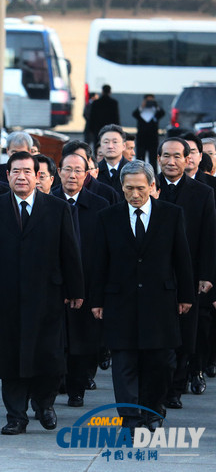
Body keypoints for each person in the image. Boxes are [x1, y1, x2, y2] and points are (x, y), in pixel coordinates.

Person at [0, 152, 84, 435]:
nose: (21, 177)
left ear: (37, 176)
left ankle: (44, 405)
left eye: (27, 172)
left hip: (47, 295)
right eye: (15, 171)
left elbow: (69, 252)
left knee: (48, 356)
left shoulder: (57, 208)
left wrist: (76, 289)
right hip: (6, 296)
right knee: (10, 357)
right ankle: (15, 416)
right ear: (7, 175)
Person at [91, 160, 194, 433]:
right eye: (128, 189)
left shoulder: (171, 215)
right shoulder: (108, 216)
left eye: (140, 188)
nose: (134, 194)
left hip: (160, 301)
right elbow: (99, 261)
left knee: (160, 362)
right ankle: (130, 417)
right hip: (120, 301)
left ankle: (152, 409)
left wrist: (186, 295)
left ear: (152, 186)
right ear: (121, 187)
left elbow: (182, 259)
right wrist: (96, 300)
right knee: (124, 362)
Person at [155, 137, 216, 408]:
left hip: (188, 275)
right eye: (166, 156)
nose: (171, 161)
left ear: (188, 159)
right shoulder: (147, 186)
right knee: (156, 337)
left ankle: (175, 389)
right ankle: (157, 389)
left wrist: (207, 275)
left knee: (185, 336)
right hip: (153, 277)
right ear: (158, 158)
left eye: (177, 156)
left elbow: (209, 237)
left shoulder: (202, 193)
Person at [52, 152, 110, 407]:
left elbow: (105, 250)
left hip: (88, 283)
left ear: (86, 175)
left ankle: (77, 388)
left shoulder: (99, 205)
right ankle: (54, 385)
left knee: (83, 341)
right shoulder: (47, 201)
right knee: (55, 339)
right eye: (67, 169)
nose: (72, 175)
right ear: (59, 172)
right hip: (54, 284)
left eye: (78, 170)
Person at [132, 94, 165, 170]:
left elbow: (162, 113)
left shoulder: (156, 111)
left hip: (153, 138)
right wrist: (142, 106)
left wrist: (156, 105)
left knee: (153, 159)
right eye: (148, 101)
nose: (149, 102)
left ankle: (153, 174)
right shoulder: (140, 110)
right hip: (141, 138)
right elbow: (134, 114)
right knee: (140, 158)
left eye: (151, 101)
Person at [96, 124, 128, 200]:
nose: (110, 146)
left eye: (115, 142)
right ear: (100, 145)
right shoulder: (94, 172)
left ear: (124, 146)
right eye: (106, 142)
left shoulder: (133, 171)